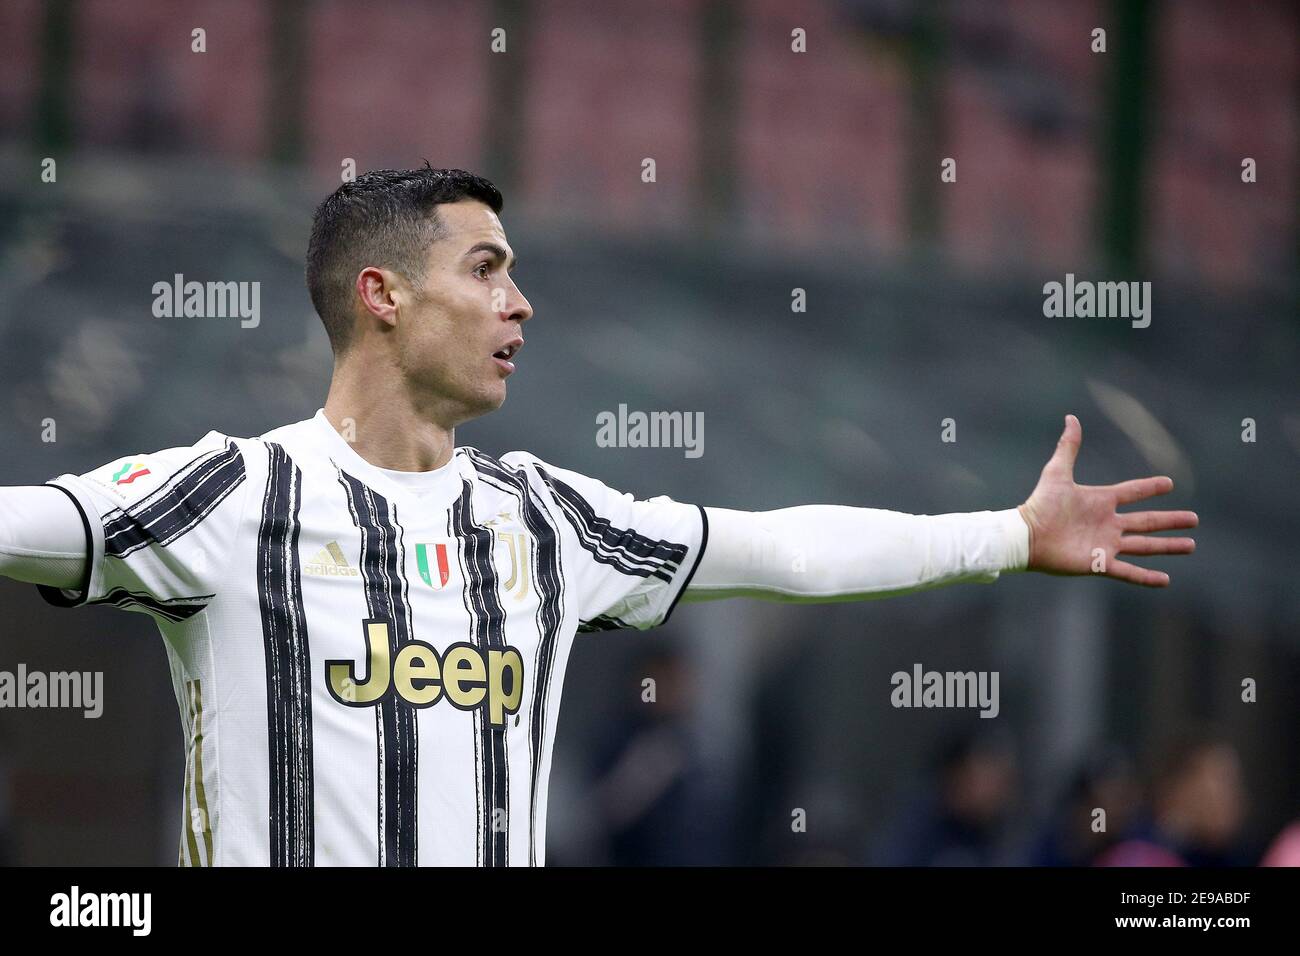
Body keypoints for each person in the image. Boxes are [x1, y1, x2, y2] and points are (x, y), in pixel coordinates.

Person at [0, 166, 1198, 866]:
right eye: (484, 269)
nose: (519, 302)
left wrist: (1005, 532)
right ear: (382, 295)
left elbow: (775, 545)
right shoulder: (230, 495)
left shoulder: (545, 521)